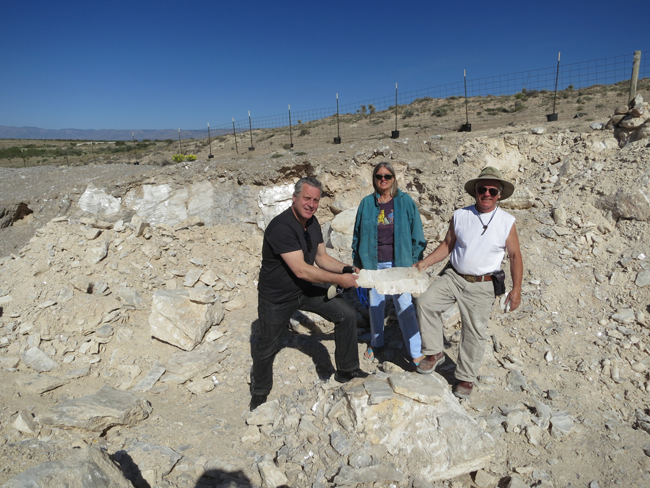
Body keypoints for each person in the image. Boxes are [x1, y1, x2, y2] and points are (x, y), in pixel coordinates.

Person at [251, 176, 368, 410]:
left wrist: (347, 268)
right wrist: (339, 279)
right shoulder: (281, 227)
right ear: (294, 198)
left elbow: (322, 259)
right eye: (306, 198)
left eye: (315, 200)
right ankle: (260, 394)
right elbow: (302, 270)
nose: (311, 204)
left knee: (345, 315)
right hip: (277, 296)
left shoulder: (312, 223)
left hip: (303, 289)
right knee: (266, 346)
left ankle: (347, 370)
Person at [414, 166, 523, 399]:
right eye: (482, 189)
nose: (487, 194)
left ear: (499, 194)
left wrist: (517, 289)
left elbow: (515, 256)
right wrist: (425, 263)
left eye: (492, 191)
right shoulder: (461, 215)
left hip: (483, 284)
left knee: (473, 332)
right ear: (475, 190)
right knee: (426, 303)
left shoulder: (506, 222)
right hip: (454, 275)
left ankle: (465, 378)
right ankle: (434, 353)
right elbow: (447, 245)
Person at [351, 162, 427, 369]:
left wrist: (415, 258)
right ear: (374, 179)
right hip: (374, 263)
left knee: (405, 306)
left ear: (394, 178)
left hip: (400, 263)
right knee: (375, 306)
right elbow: (357, 234)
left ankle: (416, 352)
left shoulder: (405, 203)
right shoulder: (366, 204)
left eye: (387, 176)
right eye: (379, 176)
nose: (383, 179)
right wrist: (357, 262)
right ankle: (376, 342)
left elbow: (417, 232)